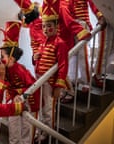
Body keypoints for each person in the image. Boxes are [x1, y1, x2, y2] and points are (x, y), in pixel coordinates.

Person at [0, 21, 40, 144]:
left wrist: (20, 95)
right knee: (13, 123)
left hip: (27, 99)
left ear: (11, 58)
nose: (1, 60)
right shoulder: (5, 69)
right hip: (13, 99)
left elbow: (32, 85)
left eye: (2, 57)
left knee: (27, 125)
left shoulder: (20, 70)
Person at [33, 5, 69, 142]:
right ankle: (40, 129)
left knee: (48, 109)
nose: (45, 29)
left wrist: (59, 86)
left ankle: (48, 133)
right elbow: (40, 61)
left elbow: (63, 66)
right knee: (41, 108)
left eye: (49, 26)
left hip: (50, 81)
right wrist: (34, 58)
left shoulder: (61, 43)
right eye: (43, 26)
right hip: (39, 79)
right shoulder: (43, 42)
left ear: (56, 26)